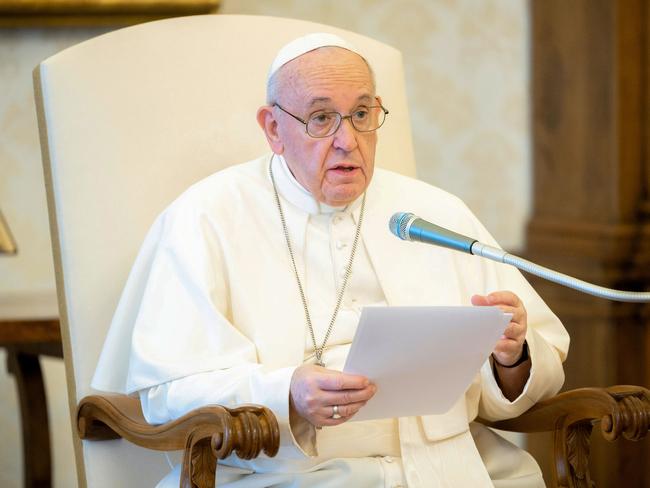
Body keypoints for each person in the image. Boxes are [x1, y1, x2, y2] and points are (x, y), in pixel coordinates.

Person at [92, 33, 569, 487]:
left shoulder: (434, 212)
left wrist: (513, 357)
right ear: (273, 128)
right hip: (280, 474)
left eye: (362, 113)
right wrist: (286, 393)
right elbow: (165, 393)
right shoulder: (206, 217)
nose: (348, 140)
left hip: (450, 467)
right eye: (321, 118)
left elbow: (526, 376)